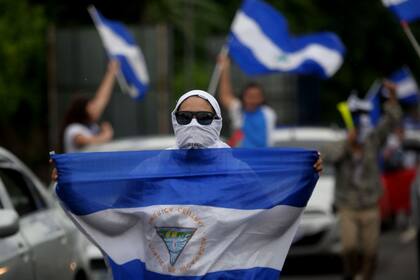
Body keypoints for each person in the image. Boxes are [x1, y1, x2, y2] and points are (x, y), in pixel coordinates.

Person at [322, 81, 402, 280]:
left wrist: (392, 97)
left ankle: (365, 276)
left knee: (371, 251)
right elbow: (329, 157)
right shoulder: (342, 145)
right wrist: (347, 144)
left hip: (369, 204)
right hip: (348, 205)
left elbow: (390, 121)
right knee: (348, 248)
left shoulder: (372, 141)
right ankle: (351, 273)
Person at [218, 54, 277, 148]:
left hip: (262, 158)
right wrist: (225, 68)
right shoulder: (238, 109)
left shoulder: (268, 113)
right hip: (241, 157)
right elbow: (225, 95)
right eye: (249, 96)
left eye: (256, 96)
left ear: (262, 98)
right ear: (243, 97)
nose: (252, 99)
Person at [61, 60, 119, 153]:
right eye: (91, 107)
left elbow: (102, 98)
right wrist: (105, 136)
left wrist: (111, 72)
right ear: (82, 112)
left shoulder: (90, 126)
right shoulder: (73, 128)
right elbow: (82, 140)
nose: (96, 108)